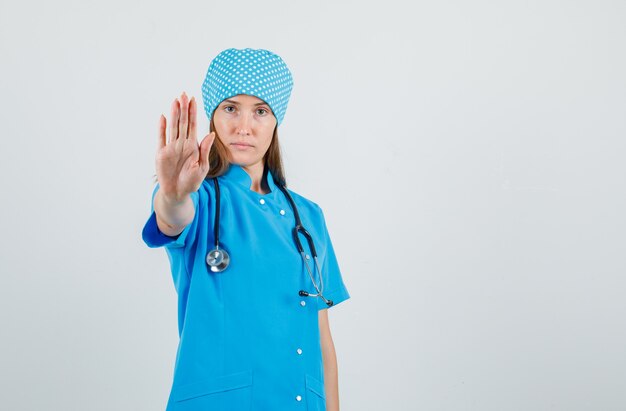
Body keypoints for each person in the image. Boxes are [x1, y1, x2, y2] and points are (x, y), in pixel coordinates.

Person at [141, 47, 350, 411]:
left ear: (275, 121)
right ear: (213, 117)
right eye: (231, 108)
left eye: (260, 111)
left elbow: (322, 338)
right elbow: (172, 216)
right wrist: (173, 194)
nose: (244, 127)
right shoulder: (202, 198)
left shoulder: (309, 216)